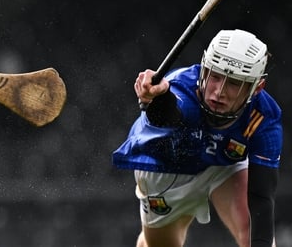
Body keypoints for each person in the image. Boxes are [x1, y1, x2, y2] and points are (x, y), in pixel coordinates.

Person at [113, 29, 282, 247]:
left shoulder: (264, 117)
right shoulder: (181, 88)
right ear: (204, 69)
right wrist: (158, 98)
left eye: (233, 83)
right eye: (216, 76)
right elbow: (168, 114)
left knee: (250, 229)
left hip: (223, 163)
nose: (219, 91)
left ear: (256, 88)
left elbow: (261, 198)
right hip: (166, 170)